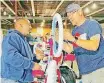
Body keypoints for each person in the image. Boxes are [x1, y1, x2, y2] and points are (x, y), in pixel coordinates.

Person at [63, 3, 104, 83]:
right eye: (68, 15)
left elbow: (94, 46)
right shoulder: (75, 31)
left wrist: (73, 39)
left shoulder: (92, 24)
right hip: (84, 72)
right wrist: (58, 41)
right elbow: (69, 49)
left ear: (80, 12)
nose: (69, 17)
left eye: (72, 13)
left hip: (98, 70)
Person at [1, 18, 43, 83]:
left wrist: (36, 58)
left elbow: (25, 58)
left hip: (21, 79)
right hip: (12, 79)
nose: (30, 27)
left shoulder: (23, 39)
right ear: (20, 25)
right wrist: (32, 65)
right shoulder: (12, 36)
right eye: (28, 25)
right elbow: (12, 57)